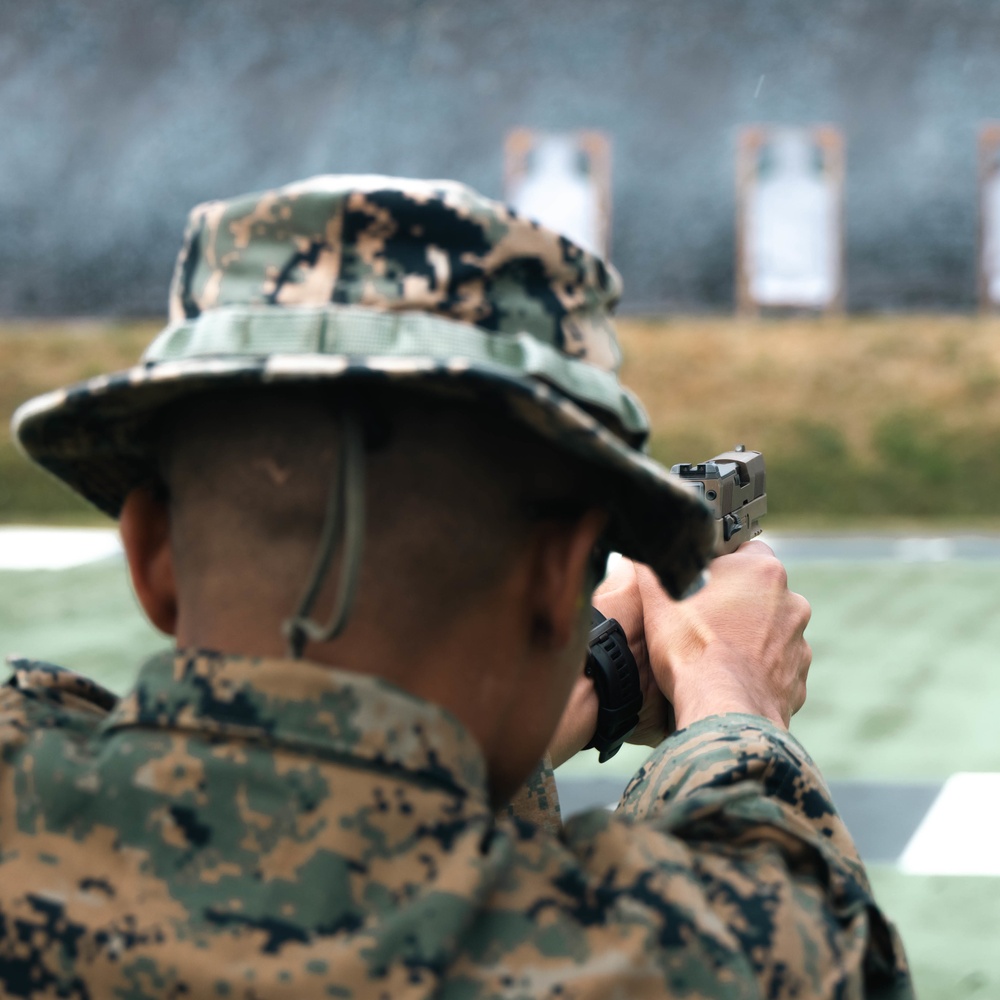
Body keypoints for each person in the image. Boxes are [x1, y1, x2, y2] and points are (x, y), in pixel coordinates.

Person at [4, 174, 911, 998]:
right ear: (561, 579)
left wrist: (594, 676)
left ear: (152, 552)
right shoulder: (685, 961)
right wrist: (730, 690)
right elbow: (798, 926)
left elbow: (320, 809)